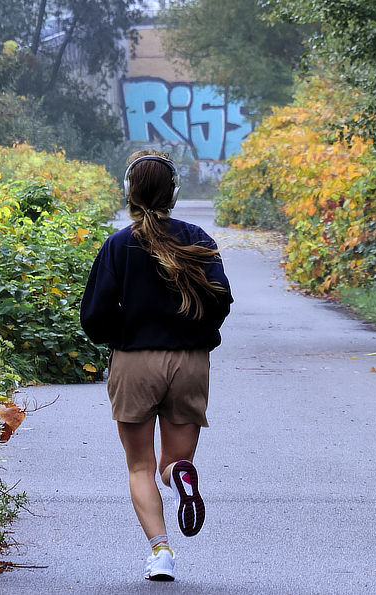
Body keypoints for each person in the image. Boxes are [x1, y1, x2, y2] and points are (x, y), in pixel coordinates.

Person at [79, 150, 234, 581]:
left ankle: (161, 552)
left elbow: (93, 314)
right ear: (174, 193)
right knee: (171, 463)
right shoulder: (199, 239)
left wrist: (123, 335)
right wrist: (197, 335)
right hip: (189, 363)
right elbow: (221, 300)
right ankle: (182, 475)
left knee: (140, 467)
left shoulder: (118, 245)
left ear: (129, 191)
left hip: (135, 363)